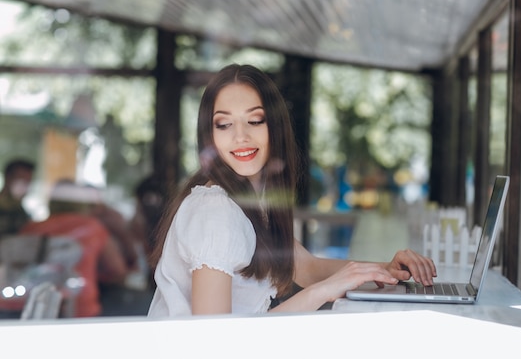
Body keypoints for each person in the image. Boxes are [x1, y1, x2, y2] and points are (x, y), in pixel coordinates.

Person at [147, 64, 437, 317]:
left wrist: (386, 269)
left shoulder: (250, 202)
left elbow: (307, 268)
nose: (240, 137)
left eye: (255, 120)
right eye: (224, 124)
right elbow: (213, 342)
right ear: (209, 135)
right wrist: (323, 292)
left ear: (275, 126)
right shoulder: (216, 211)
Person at [20, 180, 129, 317]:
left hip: (31, 307)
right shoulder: (92, 227)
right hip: (79, 307)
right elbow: (117, 270)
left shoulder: (31, 228)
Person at [0, 159, 35, 237]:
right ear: (8, 178)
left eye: (28, 182)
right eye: (22, 181)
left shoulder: (21, 212)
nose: (25, 187)